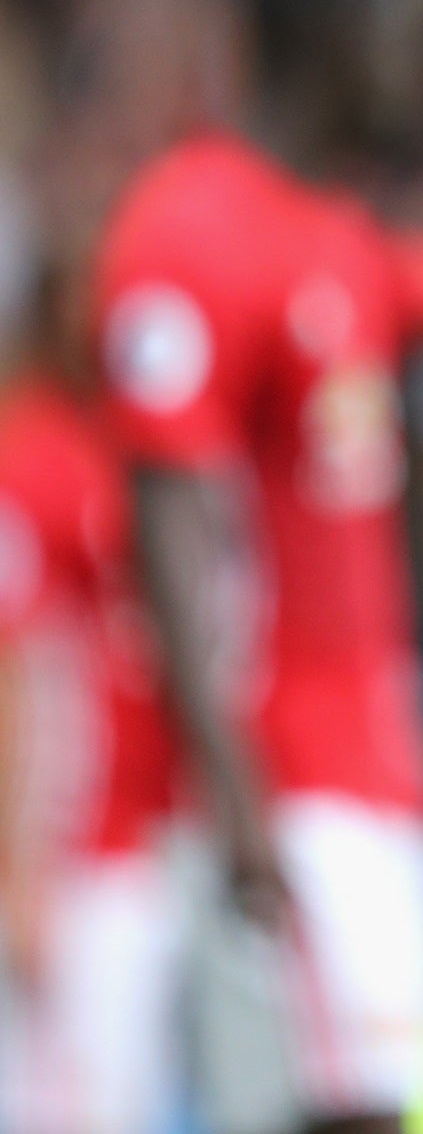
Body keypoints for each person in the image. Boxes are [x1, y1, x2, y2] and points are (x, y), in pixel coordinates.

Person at [91, 0, 423, 1134]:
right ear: (322, 47)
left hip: (378, 764)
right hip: (284, 770)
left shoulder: (337, 234)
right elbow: (171, 518)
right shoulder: (191, 227)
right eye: (388, 34)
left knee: (379, 1103)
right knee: (327, 1111)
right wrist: (233, 780)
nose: (409, 64)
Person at [0, 261, 182, 1134]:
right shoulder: (24, 453)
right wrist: (19, 872)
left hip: (137, 835)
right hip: (73, 854)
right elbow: (18, 667)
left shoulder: (112, 444)